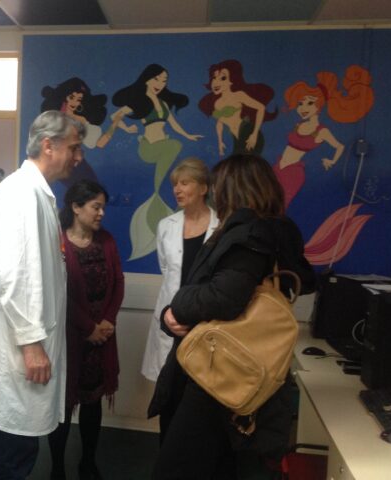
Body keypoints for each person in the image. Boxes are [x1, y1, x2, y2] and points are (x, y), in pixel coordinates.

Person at [149, 154, 316, 479]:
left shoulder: (249, 235)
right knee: (223, 462)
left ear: (232, 190)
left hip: (218, 369)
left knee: (179, 465)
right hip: (245, 367)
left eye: (219, 187)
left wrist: (176, 305)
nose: (215, 194)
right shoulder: (274, 233)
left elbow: (224, 297)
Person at [0, 110, 86, 479]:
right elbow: (17, 275)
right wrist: (32, 344)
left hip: (26, 343)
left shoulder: (36, 193)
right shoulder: (21, 193)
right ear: (49, 146)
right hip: (23, 347)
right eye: (74, 148)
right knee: (15, 447)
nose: (79, 157)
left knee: (11, 439)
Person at [48, 180, 125, 480]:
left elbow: (118, 283)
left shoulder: (106, 240)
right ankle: (57, 469)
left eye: (103, 207)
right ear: (76, 207)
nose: (101, 213)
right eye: (96, 207)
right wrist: (88, 327)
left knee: (93, 404)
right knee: (63, 407)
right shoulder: (57, 242)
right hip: (69, 340)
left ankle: (88, 463)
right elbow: (58, 292)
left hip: (101, 338)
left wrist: (108, 321)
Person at [140, 158, 219, 439]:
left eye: (185, 183)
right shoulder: (166, 226)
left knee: (201, 397)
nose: (177, 189)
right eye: (175, 184)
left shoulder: (222, 226)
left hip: (206, 322)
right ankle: (167, 452)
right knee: (169, 395)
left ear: (203, 188)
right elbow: (168, 270)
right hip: (172, 320)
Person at [111, 64, 203, 260]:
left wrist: (188, 135)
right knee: (175, 148)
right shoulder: (140, 102)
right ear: (146, 79)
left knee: (177, 157)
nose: (160, 84)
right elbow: (115, 116)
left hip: (164, 147)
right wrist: (127, 129)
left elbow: (174, 125)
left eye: (164, 81)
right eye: (156, 79)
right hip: (149, 149)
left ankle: (160, 201)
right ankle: (157, 192)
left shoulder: (163, 104)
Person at [273, 66, 373, 210]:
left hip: (292, 172)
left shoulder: (322, 131)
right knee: (266, 203)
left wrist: (332, 161)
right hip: (278, 166)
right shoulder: (299, 124)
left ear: (319, 105)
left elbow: (339, 146)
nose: (303, 108)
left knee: (281, 206)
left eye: (309, 103)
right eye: (300, 103)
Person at [198, 59, 277, 157]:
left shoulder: (238, 95)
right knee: (238, 163)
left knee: (246, 163)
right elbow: (220, 122)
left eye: (223, 78)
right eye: (214, 78)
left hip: (247, 132)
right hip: (235, 136)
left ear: (232, 81)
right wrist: (220, 142)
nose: (216, 82)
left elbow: (261, 108)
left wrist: (254, 134)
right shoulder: (217, 103)